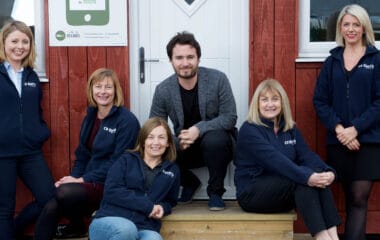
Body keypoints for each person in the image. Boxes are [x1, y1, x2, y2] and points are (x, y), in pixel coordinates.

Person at [33, 68, 141, 239]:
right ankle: (76, 227)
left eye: (108, 87)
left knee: (61, 193)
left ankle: (76, 226)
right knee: (56, 197)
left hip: (113, 185)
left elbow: (118, 163)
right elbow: (82, 155)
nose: (103, 92)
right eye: (98, 87)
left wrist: (80, 180)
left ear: (116, 91)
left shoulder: (127, 121)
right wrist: (72, 179)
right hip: (90, 182)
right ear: (91, 90)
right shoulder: (90, 117)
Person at [234, 79, 341, 240]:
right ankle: (322, 237)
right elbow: (276, 161)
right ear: (257, 104)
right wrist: (307, 177)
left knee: (317, 176)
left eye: (275, 99)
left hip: (282, 192)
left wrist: (328, 172)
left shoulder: (290, 128)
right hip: (253, 193)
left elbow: (307, 155)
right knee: (303, 179)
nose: (270, 104)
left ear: (282, 102)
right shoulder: (249, 130)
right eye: (264, 100)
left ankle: (333, 236)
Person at [313, 4, 380, 240]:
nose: (351, 29)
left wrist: (356, 130)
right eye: (346, 24)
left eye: (356, 24)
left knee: (359, 197)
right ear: (340, 28)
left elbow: (379, 102)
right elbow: (320, 101)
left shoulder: (376, 59)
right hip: (338, 139)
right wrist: (341, 130)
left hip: (368, 141)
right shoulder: (331, 62)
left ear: (364, 28)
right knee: (342, 197)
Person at [149, 31, 237, 210]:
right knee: (156, 141)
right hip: (184, 147)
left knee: (215, 138)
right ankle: (188, 182)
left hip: (216, 146)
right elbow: (155, 125)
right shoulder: (163, 89)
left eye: (190, 57)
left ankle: (215, 192)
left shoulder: (218, 79)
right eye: (179, 57)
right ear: (171, 60)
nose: (185, 63)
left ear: (198, 58)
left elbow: (230, 117)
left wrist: (199, 129)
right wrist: (174, 139)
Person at [0, 20, 55, 240]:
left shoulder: (31, 75)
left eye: (25, 41)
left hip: (30, 152)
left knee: (49, 199)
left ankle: (14, 229)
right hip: (2, 153)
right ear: (4, 43)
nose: (19, 46)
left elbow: (35, 111)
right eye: (14, 41)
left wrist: (40, 131)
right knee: (3, 208)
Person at [88, 117, 180, 240]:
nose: (156, 142)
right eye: (150, 137)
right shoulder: (125, 160)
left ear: (168, 142)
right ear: (143, 141)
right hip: (110, 221)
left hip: (144, 225)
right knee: (127, 229)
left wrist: (162, 208)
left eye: (161, 137)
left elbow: (170, 201)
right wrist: (147, 206)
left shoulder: (172, 170)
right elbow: (111, 191)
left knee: (154, 238)